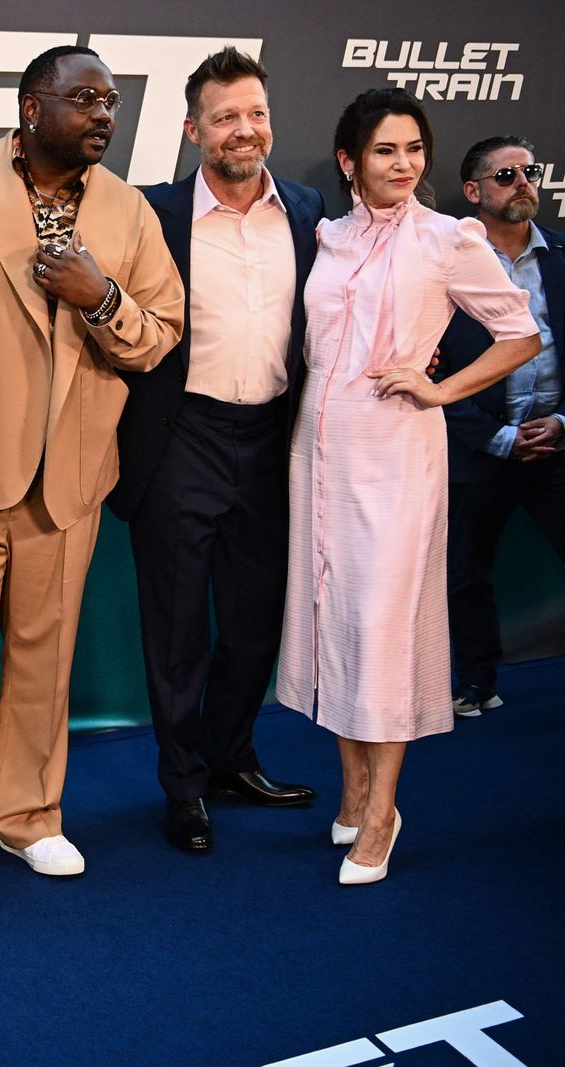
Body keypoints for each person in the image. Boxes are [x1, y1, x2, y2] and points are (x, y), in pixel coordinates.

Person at [0, 45, 184, 880]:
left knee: (45, 650)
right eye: (84, 98)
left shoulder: (128, 212)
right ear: (30, 106)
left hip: (72, 473)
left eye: (112, 102)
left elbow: (160, 336)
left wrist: (106, 300)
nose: (103, 115)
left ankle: (30, 815)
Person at [274, 90, 539, 885]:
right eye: (386, 151)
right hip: (319, 452)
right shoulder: (328, 237)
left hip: (396, 456)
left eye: (414, 150)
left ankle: (382, 810)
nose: (403, 165)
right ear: (350, 162)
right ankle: (354, 790)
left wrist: (440, 389)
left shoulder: (446, 238)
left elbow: (521, 334)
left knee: (382, 632)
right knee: (338, 624)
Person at [112, 48, 323, 853]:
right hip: (180, 438)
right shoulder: (151, 212)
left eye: (256, 113)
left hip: (272, 439)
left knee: (253, 623)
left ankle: (234, 756)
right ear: (194, 128)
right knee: (175, 632)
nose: (245, 129)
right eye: (227, 116)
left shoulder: (307, 211)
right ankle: (185, 784)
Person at [439, 136, 565, 718]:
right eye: (505, 175)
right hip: (480, 446)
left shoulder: (561, 260)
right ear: (473, 192)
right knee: (464, 573)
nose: (523, 183)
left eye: (529, 172)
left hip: (556, 445)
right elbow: (427, 365)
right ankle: (475, 681)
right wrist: (496, 437)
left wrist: (562, 423)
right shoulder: (445, 263)